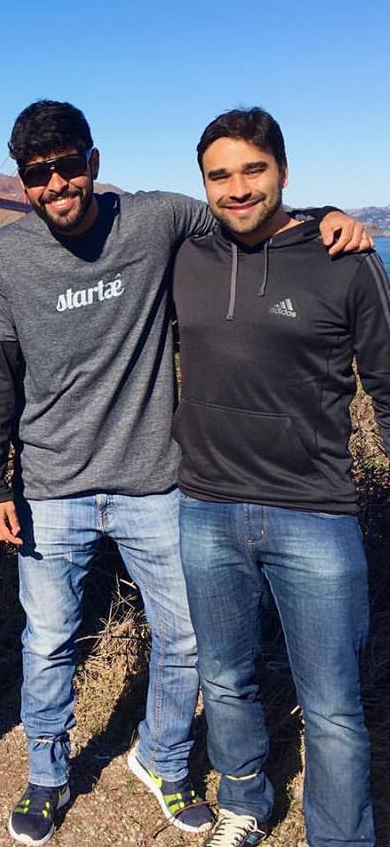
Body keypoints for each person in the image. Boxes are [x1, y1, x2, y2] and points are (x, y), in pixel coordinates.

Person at [0, 100, 371, 847]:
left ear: (93, 161)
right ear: (24, 181)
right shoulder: (9, 255)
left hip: (155, 480)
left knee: (186, 639)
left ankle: (161, 759)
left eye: (68, 166)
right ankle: (48, 777)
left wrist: (327, 215)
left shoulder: (156, 219)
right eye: (38, 174)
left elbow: (248, 209)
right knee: (48, 639)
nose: (56, 183)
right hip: (52, 486)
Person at [174, 108, 387, 847]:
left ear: (284, 171)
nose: (237, 189)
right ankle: (246, 801)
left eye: (253, 170)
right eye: (220, 175)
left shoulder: (347, 259)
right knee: (225, 677)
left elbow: (386, 382)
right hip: (204, 505)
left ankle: (341, 837)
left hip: (315, 511)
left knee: (331, 705)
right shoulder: (187, 255)